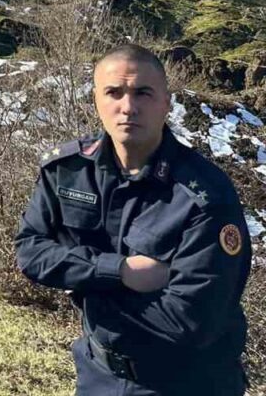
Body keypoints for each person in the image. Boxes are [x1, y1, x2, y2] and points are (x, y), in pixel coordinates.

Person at [16, 44, 252, 395]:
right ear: (96, 100)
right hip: (98, 375)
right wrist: (120, 270)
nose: (128, 107)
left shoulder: (204, 196)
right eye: (114, 92)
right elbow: (30, 251)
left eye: (143, 92)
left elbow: (191, 320)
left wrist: (82, 285)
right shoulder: (67, 172)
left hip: (188, 383)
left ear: (165, 103)